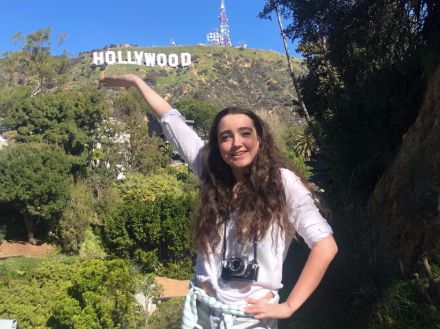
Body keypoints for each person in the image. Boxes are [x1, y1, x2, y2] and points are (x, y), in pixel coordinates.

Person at [99, 72, 338, 329]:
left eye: (245, 133)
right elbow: (172, 122)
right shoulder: (211, 173)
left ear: (260, 138)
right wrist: (138, 82)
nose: (236, 143)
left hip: (249, 319)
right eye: (226, 137)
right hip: (202, 312)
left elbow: (325, 245)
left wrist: (289, 306)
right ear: (218, 144)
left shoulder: (282, 182)